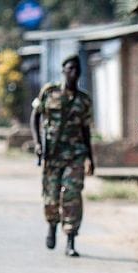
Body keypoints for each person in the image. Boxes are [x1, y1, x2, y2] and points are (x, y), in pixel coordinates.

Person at [31, 54, 95, 257]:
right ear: (63, 70)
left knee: (72, 195)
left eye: (77, 69)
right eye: (70, 69)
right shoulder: (49, 92)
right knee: (50, 197)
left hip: (75, 154)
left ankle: (70, 239)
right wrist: (38, 143)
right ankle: (52, 225)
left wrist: (90, 158)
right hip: (52, 154)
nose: (73, 73)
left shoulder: (84, 100)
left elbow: (86, 130)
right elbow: (35, 116)